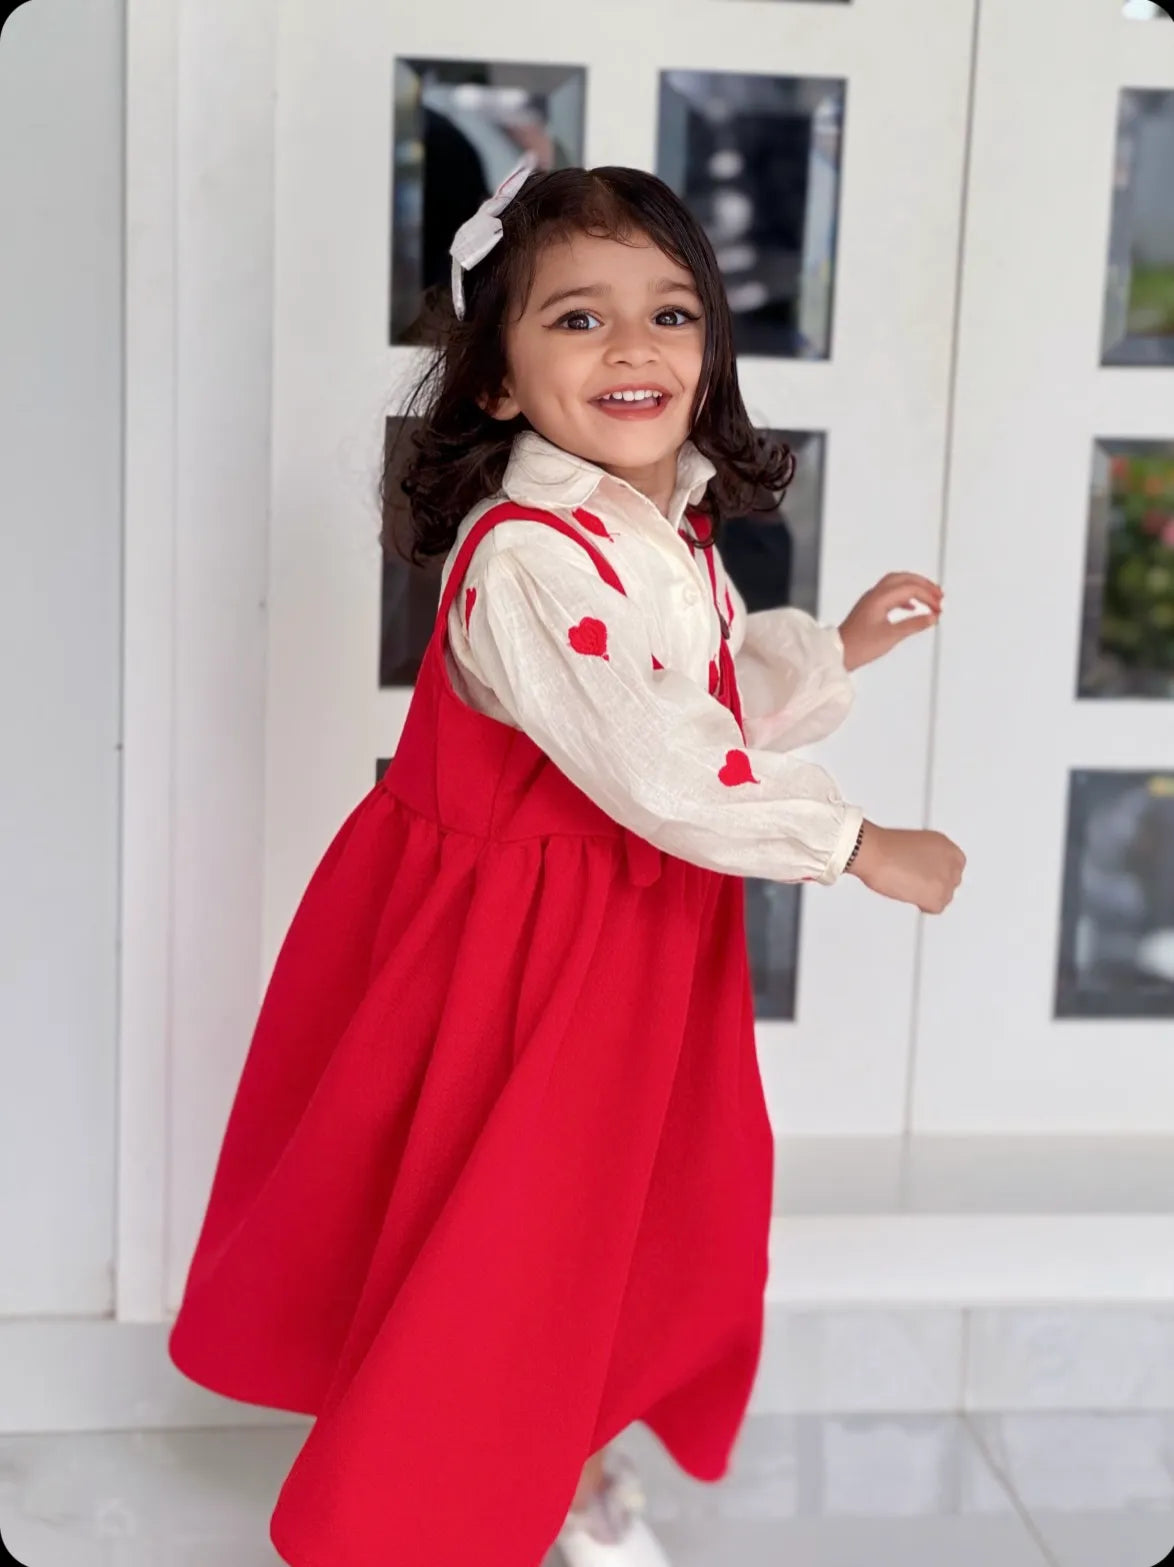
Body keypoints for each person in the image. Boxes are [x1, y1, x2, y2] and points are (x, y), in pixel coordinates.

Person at [167, 159, 966, 1567]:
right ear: (493, 379)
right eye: (577, 320)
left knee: (629, 1216)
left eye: (666, 314)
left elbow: (688, 711)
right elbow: (660, 771)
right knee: (510, 1222)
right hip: (517, 949)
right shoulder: (525, 557)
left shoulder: (662, 525)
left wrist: (834, 647)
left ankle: (569, 1445)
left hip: (631, 932)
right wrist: (851, 843)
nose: (633, 347)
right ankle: (440, 1496)